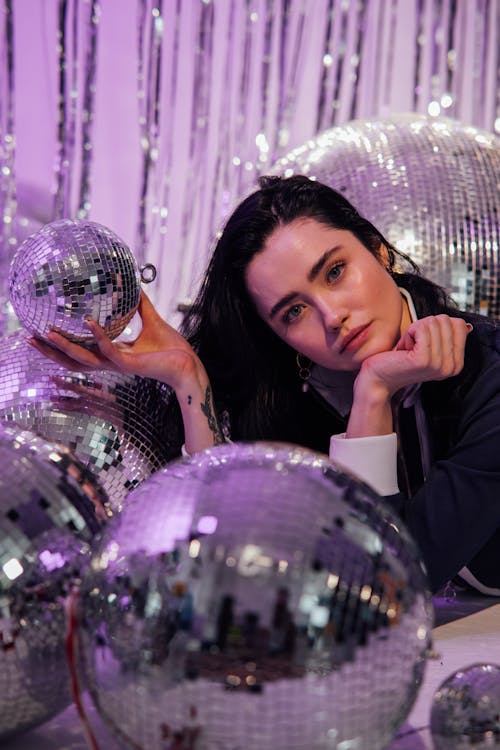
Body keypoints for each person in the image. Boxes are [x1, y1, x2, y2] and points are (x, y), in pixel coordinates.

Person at [28, 175, 500, 596]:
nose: (333, 317)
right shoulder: (304, 395)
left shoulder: (489, 373)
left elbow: (389, 586)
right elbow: (227, 562)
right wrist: (189, 381)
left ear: (378, 249)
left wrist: (372, 391)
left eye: (335, 272)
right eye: (294, 312)